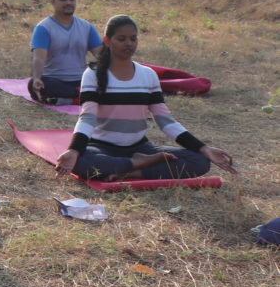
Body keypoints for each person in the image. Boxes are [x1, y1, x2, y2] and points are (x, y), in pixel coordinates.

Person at [53, 15, 236, 182]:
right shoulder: (92, 74)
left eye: (133, 39)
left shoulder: (148, 75)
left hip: (141, 148)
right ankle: (136, 164)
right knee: (82, 163)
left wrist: (204, 148)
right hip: (102, 148)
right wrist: (74, 150)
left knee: (199, 161)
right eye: (121, 39)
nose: (129, 44)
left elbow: (166, 122)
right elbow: (87, 117)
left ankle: (134, 171)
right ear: (108, 42)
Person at [30, 0, 102, 103]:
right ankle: (83, 96)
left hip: (82, 79)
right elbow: (38, 58)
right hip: (54, 80)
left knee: (108, 78)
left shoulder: (86, 27)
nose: (68, 2)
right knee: (35, 85)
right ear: (53, 2)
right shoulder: (43, 28)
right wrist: (36, 78)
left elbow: (101, 55)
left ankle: (68, 99)